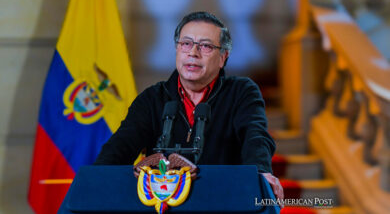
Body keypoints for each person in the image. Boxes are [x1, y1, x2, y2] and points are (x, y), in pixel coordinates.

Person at [94, 11, 283, 201]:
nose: (193, 53)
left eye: (206, 46)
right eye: (186, 44)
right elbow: (119, 148)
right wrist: (97, 179)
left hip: (222, 200)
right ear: (177, 49)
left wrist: (260, 171)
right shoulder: (152, 98)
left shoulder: (241, 92)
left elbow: (256, 137)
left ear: (223, 57)